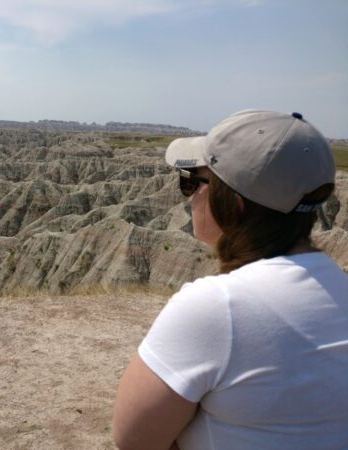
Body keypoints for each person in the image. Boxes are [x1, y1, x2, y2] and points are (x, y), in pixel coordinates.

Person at [112, 110, 348, 450]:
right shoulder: (339, 290)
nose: (189, 196)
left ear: (234, 205)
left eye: (192, 181)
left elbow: (134, 441)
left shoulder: (217, 307)